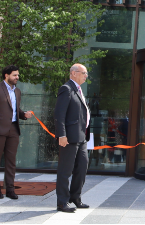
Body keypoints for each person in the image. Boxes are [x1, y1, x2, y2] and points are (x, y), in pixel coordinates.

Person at [0, 66, 33, 200]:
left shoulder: (17, 91)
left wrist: (24, 114)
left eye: (18, 75)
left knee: (11, 161)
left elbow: (15, 110)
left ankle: (10, 190)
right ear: (6, 75)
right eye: (14, 75)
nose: (17, 77)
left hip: (13, 130)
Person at [54, 64, 91, 213]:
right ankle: (62, 202)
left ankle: (75, 197)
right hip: (69, 137)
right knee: (65, 170)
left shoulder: (79, 90)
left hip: (81, 137)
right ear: (74, 73)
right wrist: (62, 135)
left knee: (82, 168)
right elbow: (59, 114)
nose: (86, 76)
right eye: (84, 73)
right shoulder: (66, 89)